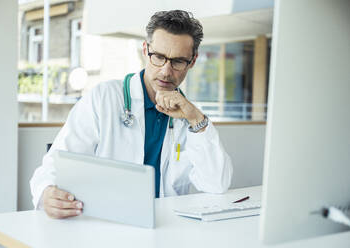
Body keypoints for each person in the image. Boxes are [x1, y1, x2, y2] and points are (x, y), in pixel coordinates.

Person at [30, 10, 233, 219]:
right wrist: (47, 192)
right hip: (107, 222)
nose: (166, 71)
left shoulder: (190, 118)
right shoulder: (104, 98)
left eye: (178, 61)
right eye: (159, 57)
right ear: (145, 50)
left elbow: (216, 184)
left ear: (192, 61)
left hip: (168, 226)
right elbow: (55, 164)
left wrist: (196, 120)